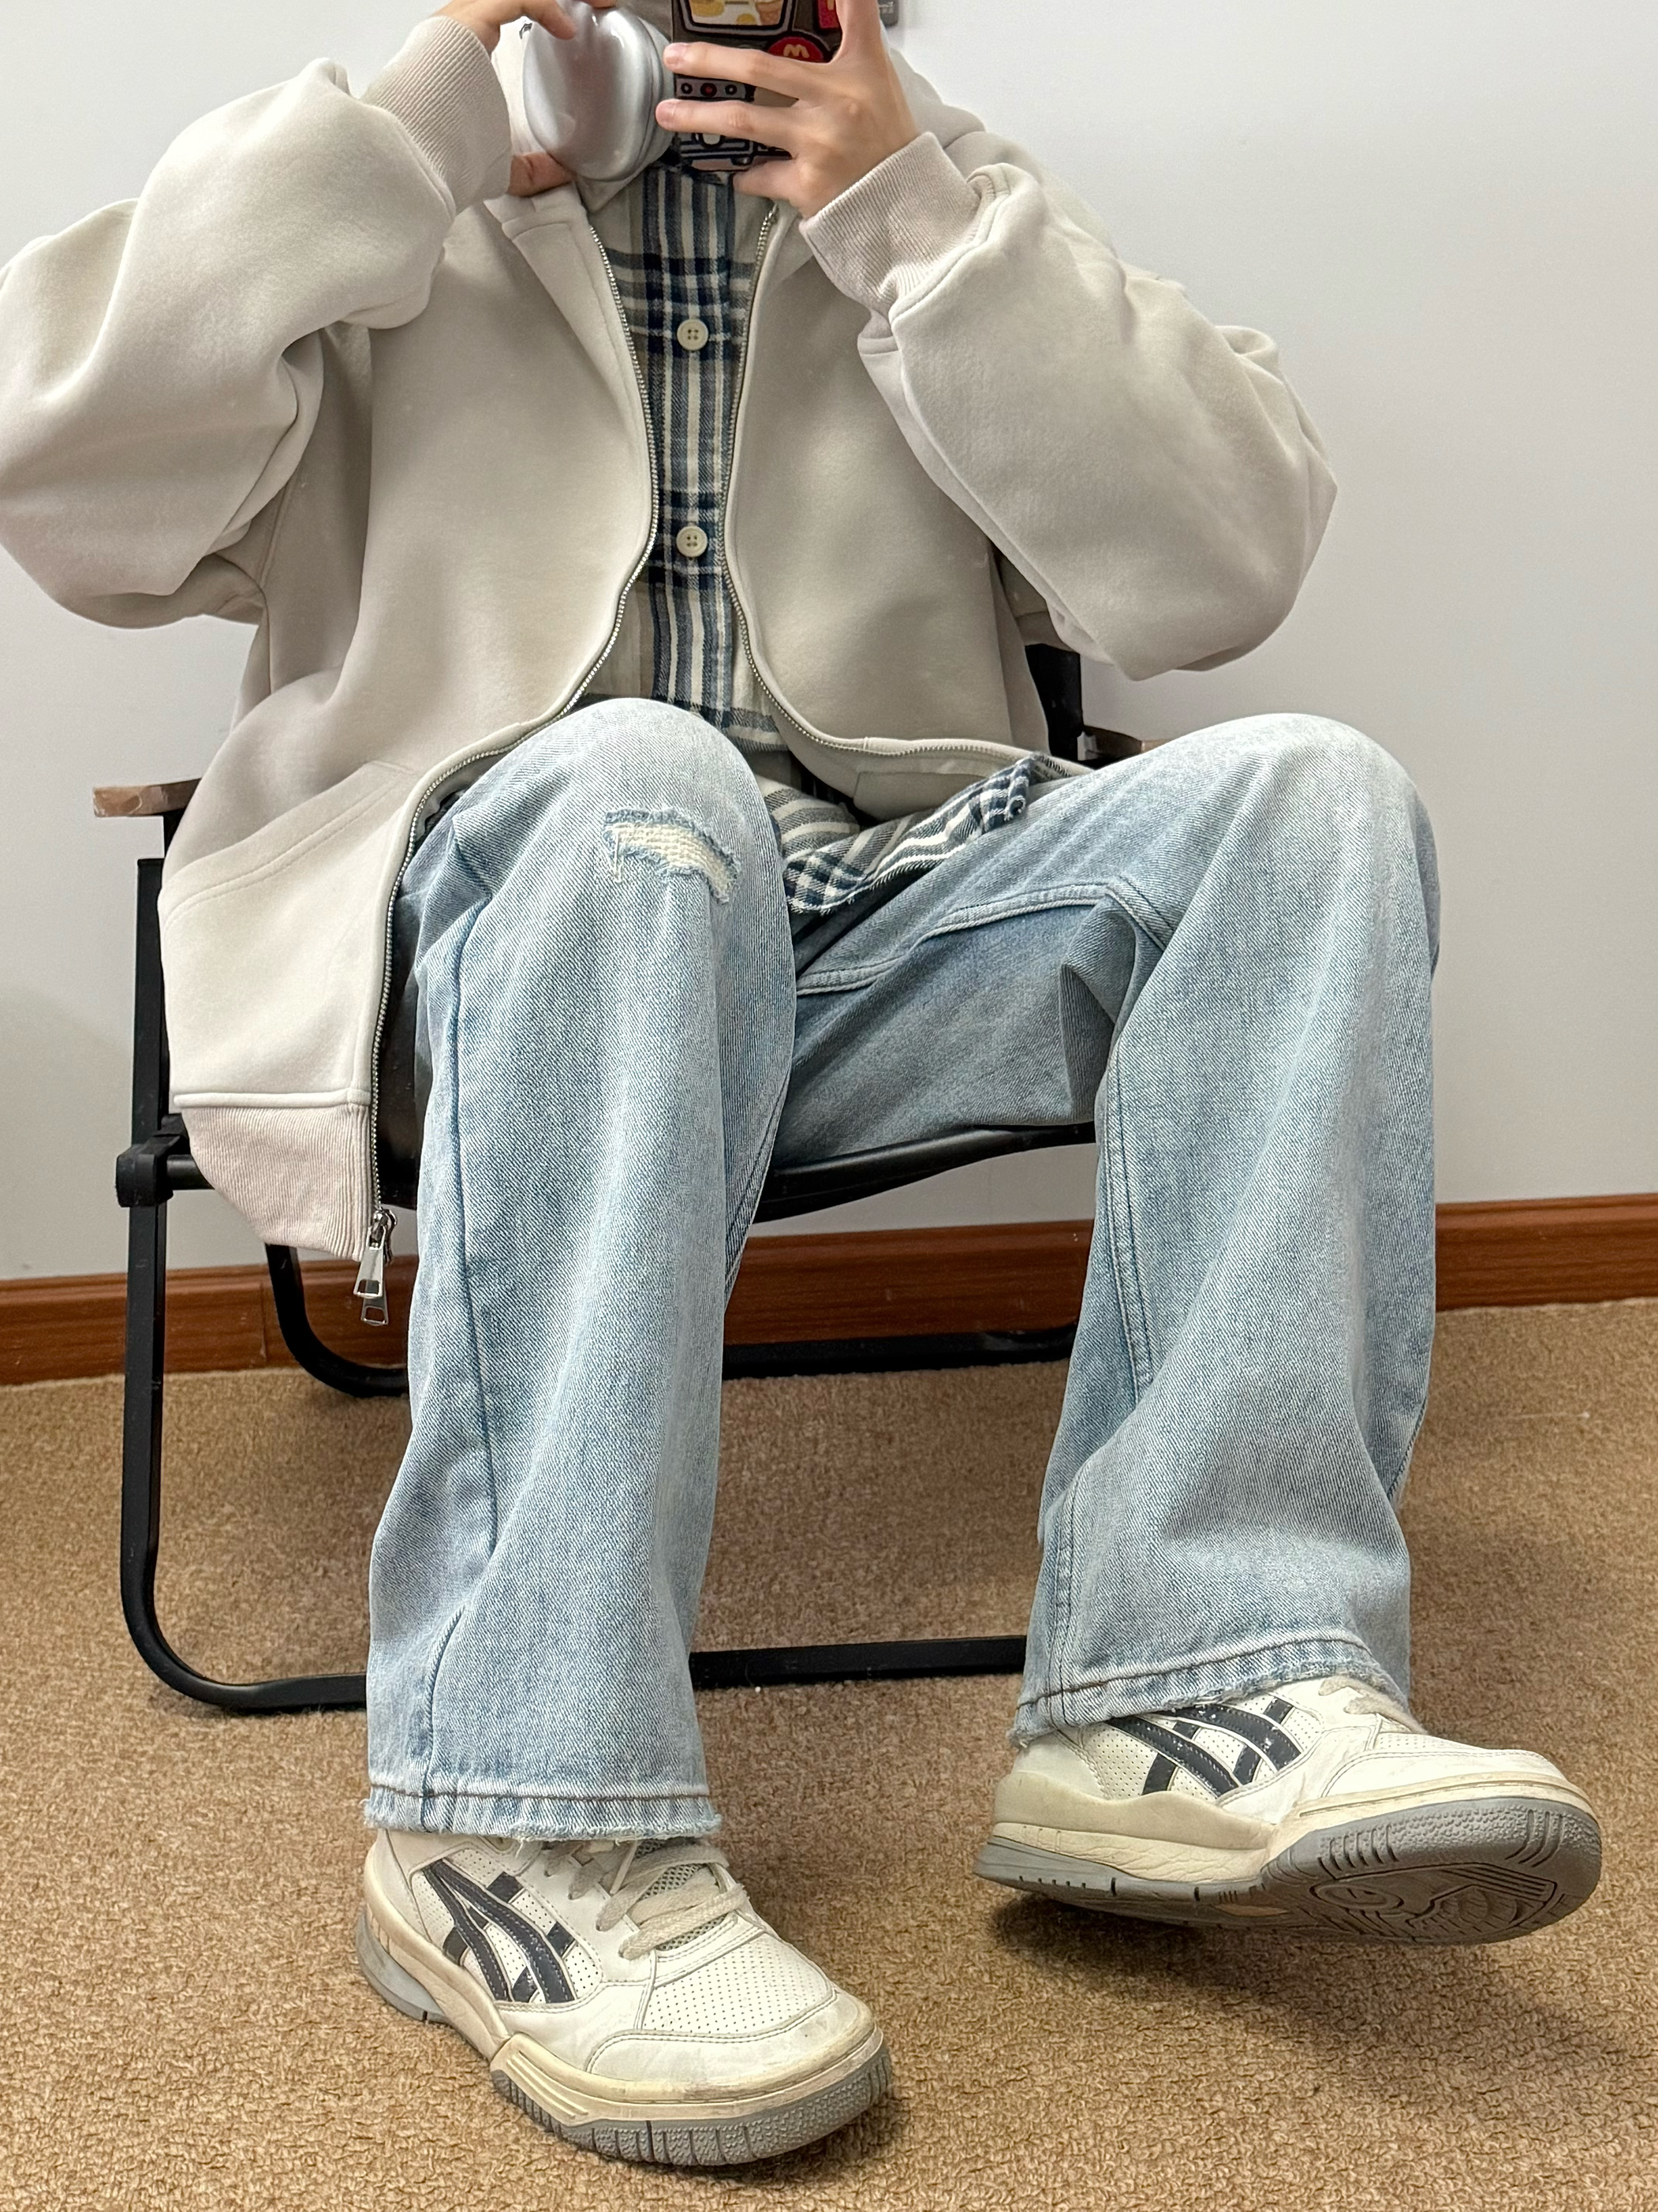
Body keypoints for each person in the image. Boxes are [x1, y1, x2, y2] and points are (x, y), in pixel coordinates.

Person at [0, 0, 1603, 2169]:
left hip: (867, 920)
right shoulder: (387, 195)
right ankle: (516, 1813)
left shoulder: (927, 197)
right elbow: (58, 472)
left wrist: (916, 216)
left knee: (1310, 800)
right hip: (492, 941)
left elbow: (1224, 566)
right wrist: (414, 130)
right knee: (643, 786)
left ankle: (1197, 1680)